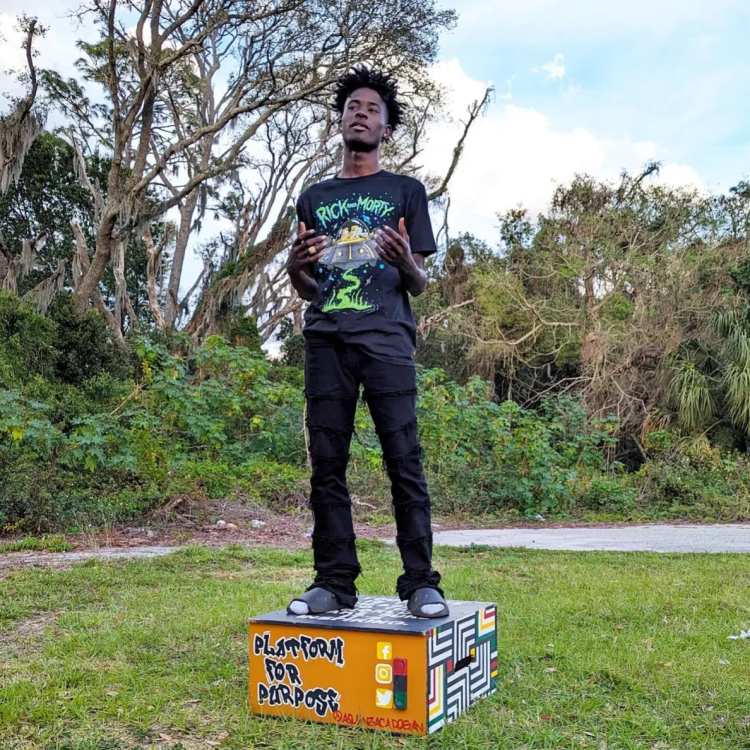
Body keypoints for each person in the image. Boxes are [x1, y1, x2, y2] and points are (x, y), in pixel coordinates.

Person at [285, 66, 448, 619]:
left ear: (386, 128)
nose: (361, 113)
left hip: (387, 342)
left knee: (404, 460)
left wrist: (405, 260)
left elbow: (418, 282)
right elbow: (311, 286)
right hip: (326, 342)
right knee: (326, 466)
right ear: (341, 121)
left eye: (372, 109)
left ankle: (421, 582)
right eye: (353, 106)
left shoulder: (406, 192)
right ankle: (333, 583)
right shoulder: (314, 197)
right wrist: (294, 269)